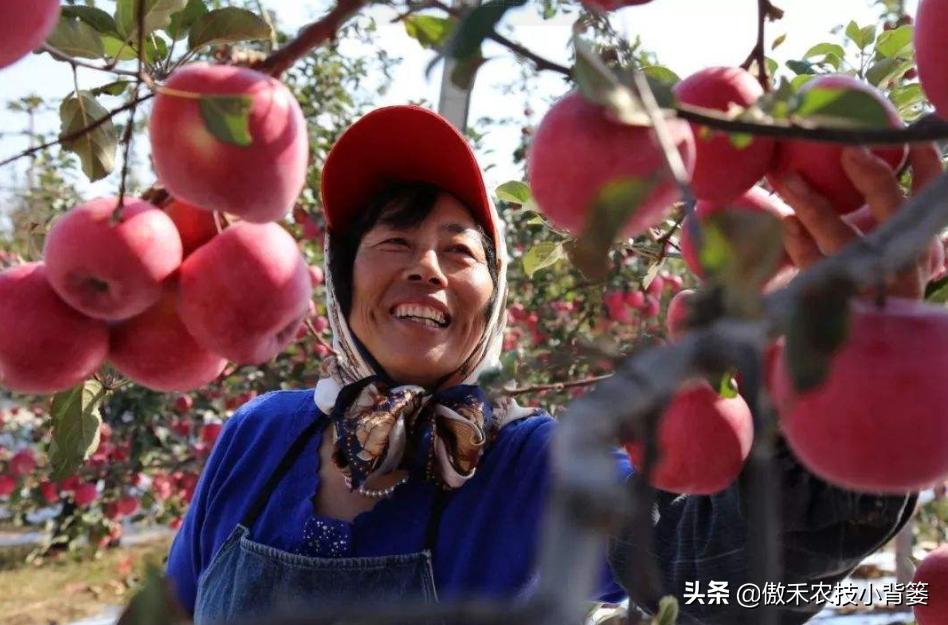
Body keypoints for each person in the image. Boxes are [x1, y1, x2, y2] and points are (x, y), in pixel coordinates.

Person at [165, 104, 934, 625]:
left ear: (494, 296)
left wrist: (864, 388)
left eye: (459, 250)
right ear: (342, 281)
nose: (426, 268)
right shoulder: (260, 438)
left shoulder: (535, 464)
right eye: (393, 242)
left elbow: (722, 573)